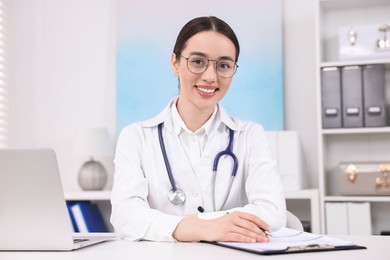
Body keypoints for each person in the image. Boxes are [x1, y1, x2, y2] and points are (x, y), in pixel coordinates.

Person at [110, 16, 286, 243]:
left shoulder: (250, 135)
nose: (210, 77)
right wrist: (204, 228)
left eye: (223, 65)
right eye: (197, 61)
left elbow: (273, 211)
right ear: (175, 63)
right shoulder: (136, 137)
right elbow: (126, 215)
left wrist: (189, 226)